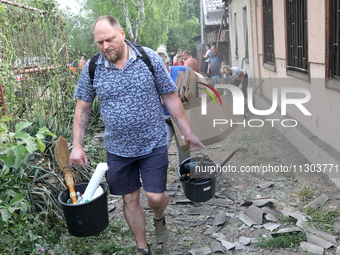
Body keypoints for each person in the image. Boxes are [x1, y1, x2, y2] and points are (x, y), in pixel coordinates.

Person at [69, 15, 204, 255]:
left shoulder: (148, 58)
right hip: (117, 149)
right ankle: (142, 247)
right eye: (99, 42)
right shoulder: (92, 67)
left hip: (153, 143)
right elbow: (83, 108)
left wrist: (188, 132)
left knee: (154, 197)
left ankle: (159, 216)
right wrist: (77, 145)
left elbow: (170, 97)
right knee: (130, 199)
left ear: (121, 34)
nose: (105, 46)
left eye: (109, 39)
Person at [156, 50, 190, 165]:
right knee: (161, 149)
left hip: (180, 118)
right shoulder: (153, 75)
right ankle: (159, 177)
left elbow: (197, 77)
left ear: (167, 63)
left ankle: (186, 176)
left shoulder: (180, 70)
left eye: (163, 66)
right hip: (164, 118)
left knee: (184, 149)